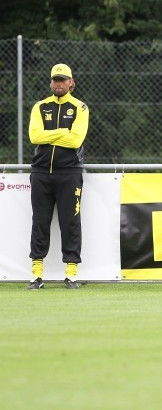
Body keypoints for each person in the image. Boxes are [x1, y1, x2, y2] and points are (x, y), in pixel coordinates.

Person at [27, 63, 90, 290]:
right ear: (51, 82)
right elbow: (35, 136)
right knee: (40, 222)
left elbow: (75, 140)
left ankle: (71, 274)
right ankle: (36, 275)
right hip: (41, 172)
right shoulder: (40, 107)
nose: (59, 83)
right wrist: (63, 132)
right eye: (56, 79)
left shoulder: (80, 108)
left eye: (63, 80)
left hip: (69, 172)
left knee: (70, 222)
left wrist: (50, 135)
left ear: (71, 82)